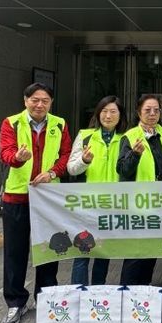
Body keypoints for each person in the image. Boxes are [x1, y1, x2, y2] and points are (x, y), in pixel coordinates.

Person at [0, 83, 72, 323]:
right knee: (15, 252)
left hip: (49, 197)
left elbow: (66, 155)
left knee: (51, 248)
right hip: (17, 196)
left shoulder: (59, 124)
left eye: (45, 101)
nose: (40, 105)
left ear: (51, 103)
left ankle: (46, 297)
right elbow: (5, 153)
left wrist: (52, 173)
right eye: (35, 100)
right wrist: (17, 158)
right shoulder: (11, 123)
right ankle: (15, 302)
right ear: (25, 100)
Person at [67, 95, 127, 286]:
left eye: (113, 112)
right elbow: (71, 169)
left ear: (120, 115)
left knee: (103, 252)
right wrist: (84, 161)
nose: (108, 116)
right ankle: (79, 290)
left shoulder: (126, 138)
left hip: (112, 205)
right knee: (82, 252)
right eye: (104, 111)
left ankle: (98, 291)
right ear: (98, 113)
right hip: (87, 204)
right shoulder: (85, 136)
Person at [117, 94, 162, 286]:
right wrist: (134, 154)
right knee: (135, 253)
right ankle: (128, 290)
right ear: (138, 112)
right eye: (147, 110)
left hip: (160, 203)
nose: (152, 114)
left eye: (156, 110)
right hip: (139, 206)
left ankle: (145, 291)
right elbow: (123, 170)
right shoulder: (130, 136)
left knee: (152, 250)